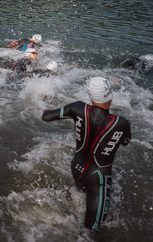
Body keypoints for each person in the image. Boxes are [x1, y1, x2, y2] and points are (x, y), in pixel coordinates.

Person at [42, 77, 131, 230]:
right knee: (93, 228)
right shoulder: (121, 123)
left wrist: (46, 108)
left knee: (80, 193)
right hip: (98, 177)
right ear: (110, 96)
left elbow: (46, 116)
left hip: (76, 167)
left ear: (91, 96)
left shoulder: (77, 108)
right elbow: (125, 142)